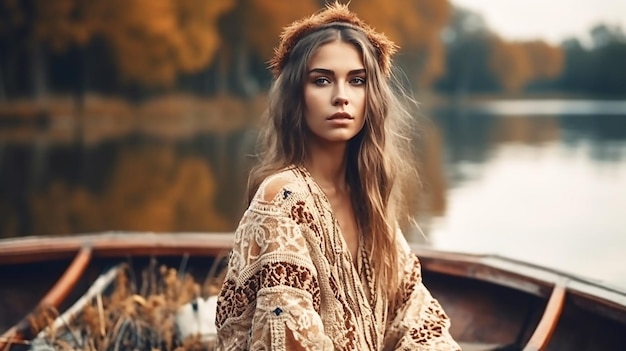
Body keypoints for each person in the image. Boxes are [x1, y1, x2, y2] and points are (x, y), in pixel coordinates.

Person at [215, 2, 460, 350]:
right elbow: (290, 336)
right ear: (296, 96)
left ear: (371, 97)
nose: (341, 96)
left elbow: (416, 314)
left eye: (357, 81)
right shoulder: (283, 197)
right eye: (322, 80)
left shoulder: (368, 199)